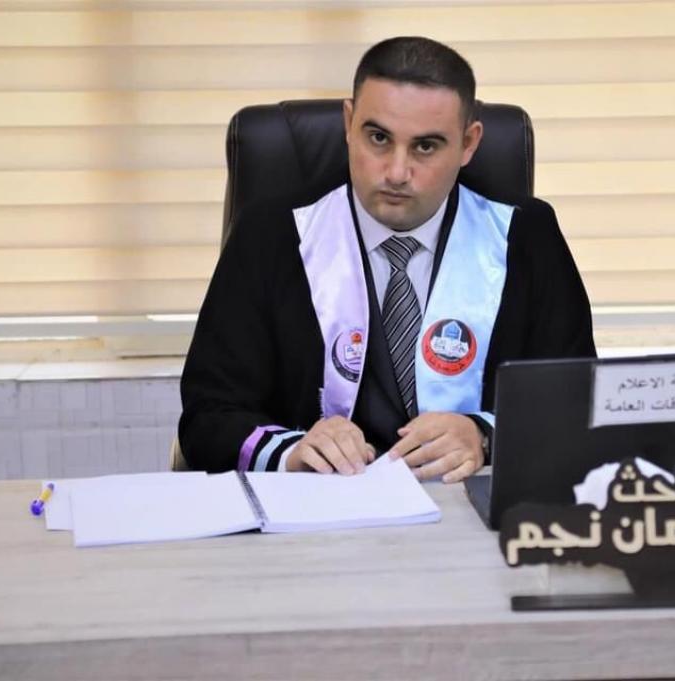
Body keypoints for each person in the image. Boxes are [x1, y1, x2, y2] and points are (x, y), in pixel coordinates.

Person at [179, 36, 595, 482]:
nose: (397, 173)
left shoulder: (525, 236)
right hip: (319, 506)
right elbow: (209, 416)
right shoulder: (271, 235)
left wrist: (485, 434)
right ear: (348, 123)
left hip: (468, 503)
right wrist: (293, 450)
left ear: (469, 143)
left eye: (426, 147)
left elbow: (577, 401)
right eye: (378, 138)